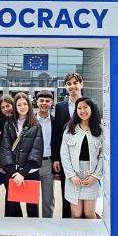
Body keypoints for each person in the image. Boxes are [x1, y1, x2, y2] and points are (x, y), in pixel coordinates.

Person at [0, 92, 43, 218]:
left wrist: (23, 173)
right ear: (15, 107)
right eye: (19, 104)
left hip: (30, 172)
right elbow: (5, 149)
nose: (22, 107)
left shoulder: (36, 125)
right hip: (13, 172)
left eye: (25, 104)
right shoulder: (9, 124)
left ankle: (32, 235)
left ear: (29, 106)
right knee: (12, 208)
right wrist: (14, 172)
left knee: (32, 209)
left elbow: (36, 151)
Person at [60, 97, 103, 219]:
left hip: (91, 176)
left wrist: (95, 176)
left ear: (92, 109)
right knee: (76, 214)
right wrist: (71, 175)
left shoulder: (100, 129)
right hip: (74, 176)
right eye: (79, 108)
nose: (82, 110)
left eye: (85, 107)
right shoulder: (70, 128)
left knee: (89, 214)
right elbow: (64, 153)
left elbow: (102, 155)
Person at [52, 72, 84, 218]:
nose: (72, 86)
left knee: (84, 194)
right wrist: (56, 158)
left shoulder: (89, 104)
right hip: (66, 159)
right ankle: (67, 223)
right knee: (67, 192)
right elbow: (57, 134)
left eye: (75, 83)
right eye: (69, 84)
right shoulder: (60, 107)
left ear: (81, 85)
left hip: (85, 158)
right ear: (65, 87)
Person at [35, 90, 56, 218]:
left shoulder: (55, 121)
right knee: (32, 198)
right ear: (37, 102)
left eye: (47, 101)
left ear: (51, 102)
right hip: (32, 164)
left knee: (48, 200)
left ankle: (48, 225)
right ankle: (35, 225)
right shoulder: (30, 121)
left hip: (48, 163)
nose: (44, 103)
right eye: (41, 100)